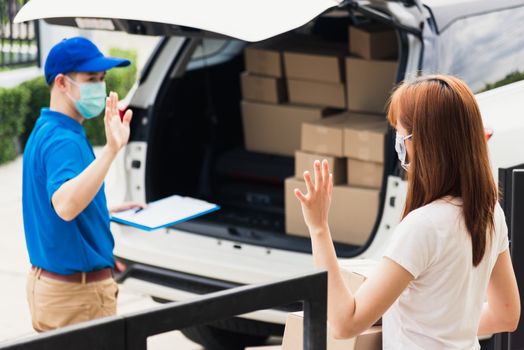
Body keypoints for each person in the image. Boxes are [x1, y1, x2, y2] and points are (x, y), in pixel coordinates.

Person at [294, 75, 520, 349]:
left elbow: (346, 323)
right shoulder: (490, 213)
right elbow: (505, 315)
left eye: (401, 134)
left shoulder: (423, 226)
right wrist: (441, 327)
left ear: (423, 143)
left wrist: (318, 227)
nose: (399, 143)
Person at [22, 37, 143, 332]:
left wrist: (103, 209)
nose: (99, 87)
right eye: (91, 78)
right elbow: (64, 205)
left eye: (102, 78)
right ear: (62, 83)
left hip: (52, 289)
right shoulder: (65, 140)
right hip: (78, 297)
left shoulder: (46, 129)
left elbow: (56, 203)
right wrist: (112, 150)